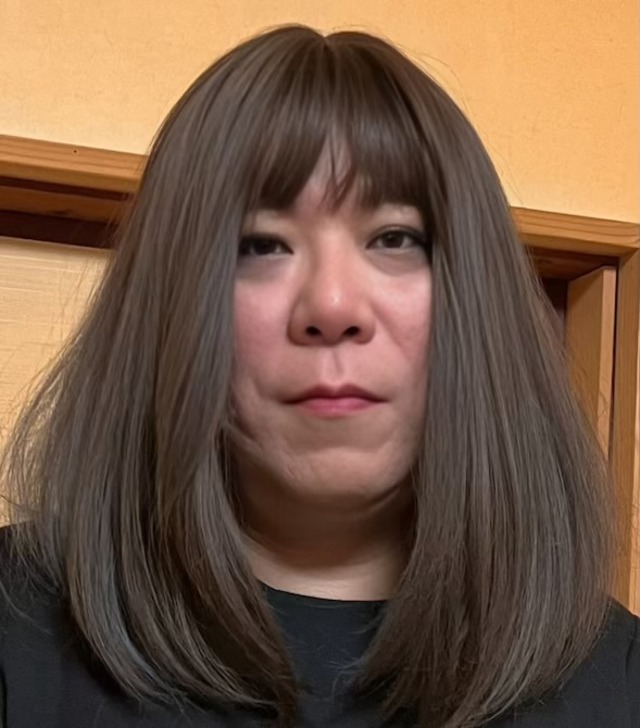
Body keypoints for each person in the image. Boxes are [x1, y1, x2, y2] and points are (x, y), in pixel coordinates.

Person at [0, 23, 638, 728]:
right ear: (168, 307)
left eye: (395, 238)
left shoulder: (620, 686)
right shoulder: (15, 632)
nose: (332, 306)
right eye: (261, 245)